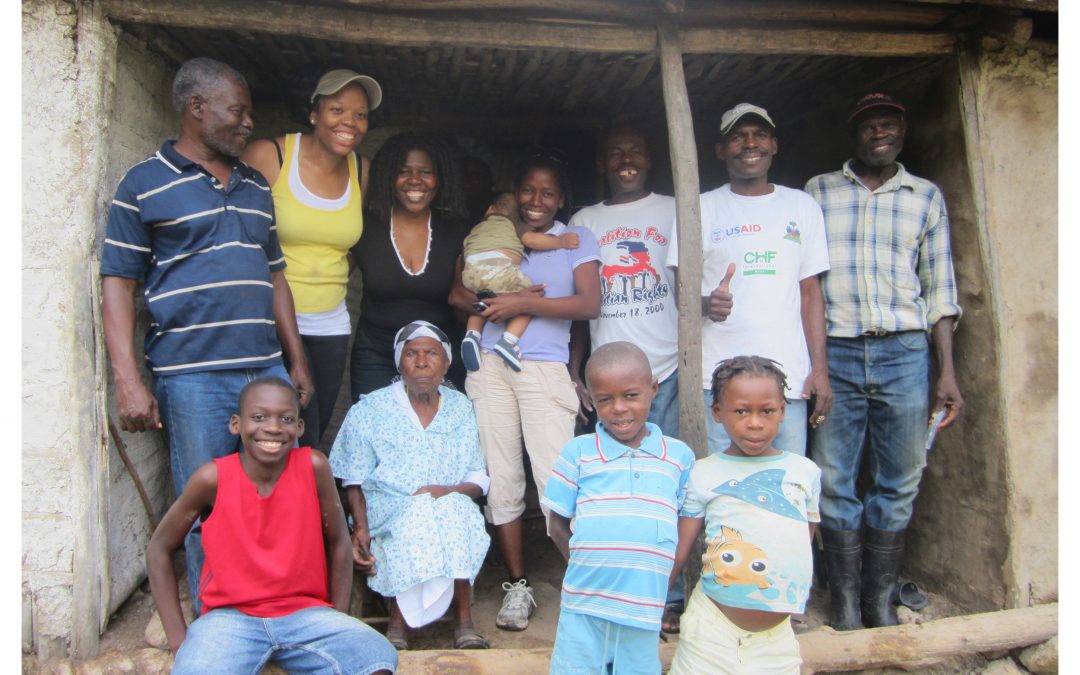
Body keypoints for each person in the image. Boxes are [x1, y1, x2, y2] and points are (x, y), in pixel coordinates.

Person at [101, 57, 313, 606]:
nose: (248, 123)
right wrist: (128, 381)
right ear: (197, 107)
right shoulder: (143, 184)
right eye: (237, 111)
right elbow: (119, 284)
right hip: (191, 374)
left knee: (277, 496)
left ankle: (275, 605)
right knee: (205, 505)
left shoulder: (255, 185)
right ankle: (213, 615)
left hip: (264, 370)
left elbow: (276, 276)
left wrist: (295, 361)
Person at [804, 92, 964, 630]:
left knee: (900, 479)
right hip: (838, 349)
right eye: (869, 125)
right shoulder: (819, 191)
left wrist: (946, 371)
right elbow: (804, 280)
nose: (879, 133)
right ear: (854, 134)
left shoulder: (926, 196)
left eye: (889, 124)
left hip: (904, 351)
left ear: (903, 132)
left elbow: (940, 289)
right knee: (833, 478)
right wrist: (814, 361)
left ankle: (876, 600)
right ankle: (845, 604)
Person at [146, 376, 397, 674]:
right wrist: (178, 640)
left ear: (299, 428)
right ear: (236, 424)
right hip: (230, 620)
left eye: (286, 419)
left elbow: (339, 542)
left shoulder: (314, 466)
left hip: (304, 615)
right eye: (259, 417)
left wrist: (339, 617)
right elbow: (159, 548)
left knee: (377, 656)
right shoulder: (212, 478)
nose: (274, 427)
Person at [452, 153, 602, 632]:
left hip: (542, 368)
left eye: (548, 193)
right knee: (501, 479)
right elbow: (457, 291)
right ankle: (517, 586)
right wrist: (491, 303)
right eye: (528, 191)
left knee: (556, 480)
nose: (537, 201)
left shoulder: (575, 239)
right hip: (489, 367)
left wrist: (521, 301)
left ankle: (588, 588)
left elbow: (589, 303)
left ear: (561, 199)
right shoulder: (495, 228)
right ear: (514, 193)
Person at [567, 124, 685, 633]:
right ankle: (619, 591)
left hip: (669, 369)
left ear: (650, 159)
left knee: (667, 488)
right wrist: (575, 370)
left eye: (635, 150)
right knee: (617, 491)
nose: (626, 159)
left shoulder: (676, 209)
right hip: (610, 381)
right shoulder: (585, 220)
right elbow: (579, 304)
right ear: (601, 164)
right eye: (615, 152)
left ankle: (669, 595)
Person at [666, 102, 832, 457]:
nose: (750, 144)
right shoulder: (698, 208)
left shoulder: (802, 206)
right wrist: (706, 304)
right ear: (720, 150)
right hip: (717, 381)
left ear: (774, 144)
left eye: (760, 135)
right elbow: (681, 296)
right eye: (738, 137)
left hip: (788, 380)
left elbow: (810, 295)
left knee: (786, 480)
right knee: (720, 481)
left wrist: (819, 369)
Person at [331, 321, 492, 651]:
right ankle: (398, 624)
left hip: (450, 503)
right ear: (399, 363)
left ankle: (464, 624)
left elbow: (477, 479)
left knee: (453, 512)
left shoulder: (461, 407)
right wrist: (360, 528)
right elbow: (353, 479)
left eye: (431, 354)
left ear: (446, 364)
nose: (421, 362)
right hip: (388, 509)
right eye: (411, 354)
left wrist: (447, 492)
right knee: (416, 514)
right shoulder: (370, 409)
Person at [241, 69, 381, 449]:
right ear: (314, 113)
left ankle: (299, 492)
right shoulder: (270, 156)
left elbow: (355, 245)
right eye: (337, 110)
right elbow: (237, 236)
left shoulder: (362, 171)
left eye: (360, 114)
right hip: (268, 320)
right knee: (270, 437)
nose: (349, 122)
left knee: (310, 435)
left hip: (329, 325)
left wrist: (328, 274)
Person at [543, 342, 695, 675]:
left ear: (653, 389)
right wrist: (587, 568)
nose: (619, 409)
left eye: (630, 395)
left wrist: (662, 582)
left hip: (643, 608)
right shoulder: (578, 453)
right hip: (584, 605)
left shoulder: (678, 457)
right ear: (591, 399)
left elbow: (685, 524)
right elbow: (557, 526)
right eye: (604, 400)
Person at [668, 356, 820, 675]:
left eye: (767, 411)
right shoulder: (703, 473)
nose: (754, 423)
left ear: (782, 411)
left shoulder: (804, 472)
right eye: (741, 411)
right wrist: (649, 603)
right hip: (711, 631)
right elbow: (679, 551)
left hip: (777, 641)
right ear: (717, 412)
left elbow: (800, 542)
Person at [350, 132, 470, 399]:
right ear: (387, 177)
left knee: (438, 425)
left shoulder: (456, 229)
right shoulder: (365, 226)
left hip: (440, 355)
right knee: (373, 423)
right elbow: (333, 277)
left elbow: (464, 297)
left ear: (440, 179)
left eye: (426, 172)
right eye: (403, 172)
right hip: (375, 353)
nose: (415, 180)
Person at [460, 191, 580, 372]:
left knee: (484, 301)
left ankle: (472, 335)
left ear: (490, 209)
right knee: (530, 299)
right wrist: (560, 242)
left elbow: (466, 249)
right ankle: (508, 341)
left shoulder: (477, 227)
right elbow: (532, 240)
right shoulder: (513, 223)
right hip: (498, 269)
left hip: (469, 273)